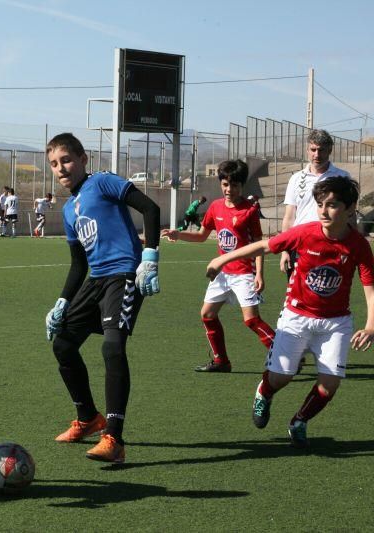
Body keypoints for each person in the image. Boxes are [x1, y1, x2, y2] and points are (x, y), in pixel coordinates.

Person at [206, 177, 373, 448]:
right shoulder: (305, 232)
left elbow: (370, 287)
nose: (323, 211)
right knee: (282, 377)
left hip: (336, 322)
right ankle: (264, 391)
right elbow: (263, 246)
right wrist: (221, 259)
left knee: (330, 383)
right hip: (296, 317)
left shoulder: (358, 245)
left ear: (351, 207)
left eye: (332, 205)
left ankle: (299, 421)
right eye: (320, 205)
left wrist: (370, 326)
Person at [44, 132, 161, 463]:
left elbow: (150, 209)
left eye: (66, 160)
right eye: (54, 164)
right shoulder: (69, 210)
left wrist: (150, 256)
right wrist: (63, 301)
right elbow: (79, 263)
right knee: (63, 344)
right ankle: (87, 418)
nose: (61, 168)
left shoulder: (105, 182)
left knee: (112, 347)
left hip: (124, 275)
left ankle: (114, 439)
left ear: (83, 159)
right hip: (95, 281)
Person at [162, 160, 275, 373]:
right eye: (225, 184)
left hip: (244, 274)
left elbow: (258, 245)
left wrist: (259, 273)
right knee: (207, 314)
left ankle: (286, 357)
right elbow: (201, 236)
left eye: (234, 185)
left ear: (242, 186)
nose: (229, 190)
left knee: (251, 320)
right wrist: (178, 234)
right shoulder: (215, 207)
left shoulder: (249, 210)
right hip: (222, 274)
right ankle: (221, 361)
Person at [280, 129, 351, 280]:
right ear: (307, 150)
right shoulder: (296, 179)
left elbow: (350, 215)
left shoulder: (342, 177)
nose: (317, 155)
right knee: (297, 298)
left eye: (321, 150)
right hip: (299, 247)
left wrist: (351, 247)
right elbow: (289, 217)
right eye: (313, 150)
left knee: (329, 296)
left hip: (333, 247)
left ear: (330, 150)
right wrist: (285, 250)